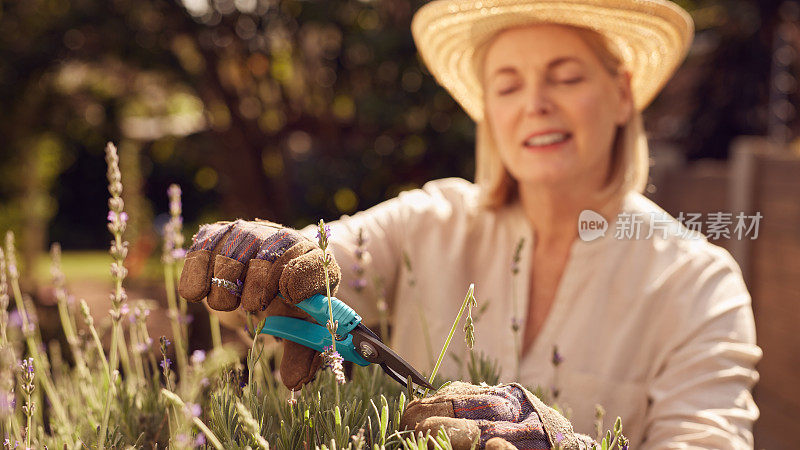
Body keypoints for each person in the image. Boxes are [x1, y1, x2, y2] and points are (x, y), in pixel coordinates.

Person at [178, 0, 761, 448]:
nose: (535, 103)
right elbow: (321, 260)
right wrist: (266, 254)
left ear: (622, 93)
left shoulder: (699, 284)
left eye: (566, 76)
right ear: (489, 109)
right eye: (508, 84)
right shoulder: (426, 223)